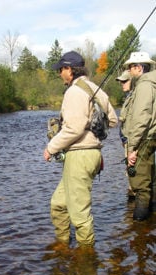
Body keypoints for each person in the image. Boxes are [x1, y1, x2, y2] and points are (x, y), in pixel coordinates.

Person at [43, 51, 118, 247]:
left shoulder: (74, 91)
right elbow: (112, 120)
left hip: (80, 156)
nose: (60, 73)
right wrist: (93, 131)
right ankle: (62, 247)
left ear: (70, 69)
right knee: (59, 205)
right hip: (90, 156)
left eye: (61, 69)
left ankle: (86, 261)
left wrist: (51, 147)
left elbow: (73, 128)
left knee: (79, 215)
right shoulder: (96, 89)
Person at [124, 52, 156, 221]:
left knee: (140, 185)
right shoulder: (152, 83)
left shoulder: (144, 86)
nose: (129, 71)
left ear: (139, 67)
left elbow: (142, 117)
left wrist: (132, 147)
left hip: (144, 138)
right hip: (151, 137)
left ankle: (139, 229)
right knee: (152, 181)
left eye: (131, 67)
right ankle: (150, 226)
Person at [116, 70, 136, 200]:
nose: (122, 84)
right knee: (130, 178)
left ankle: (139, 212)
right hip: (127, 142)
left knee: (135, 178)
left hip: (133, 143)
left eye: (125, 81)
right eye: (121, 81)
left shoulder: (136, 97)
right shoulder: (129, 97)